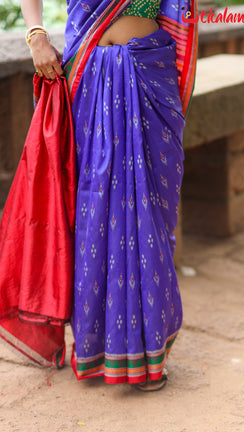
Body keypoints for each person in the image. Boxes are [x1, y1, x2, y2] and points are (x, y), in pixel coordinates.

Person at [7, 0, 198, 391]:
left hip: (150, 70)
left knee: (151, 218)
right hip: (88, 77)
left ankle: (147, 353)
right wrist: (36, 34)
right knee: (92, 213)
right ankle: (95, 347)